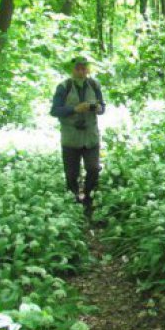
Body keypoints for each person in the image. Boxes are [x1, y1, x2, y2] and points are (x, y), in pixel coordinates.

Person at [50, 56, 106, 214]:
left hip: (91, 136)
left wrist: (98, 109)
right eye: (78, 68)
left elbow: (103, 107)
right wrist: (75, 109)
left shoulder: (94, 85)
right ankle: (73, 201)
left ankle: (89, 198)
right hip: (70, 137)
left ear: (88, 70)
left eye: (84, 68)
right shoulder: (64, 87)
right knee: (71, 173)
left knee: (93, 168)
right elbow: (54, 111)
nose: (81, 71)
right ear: (72, 70)